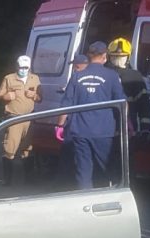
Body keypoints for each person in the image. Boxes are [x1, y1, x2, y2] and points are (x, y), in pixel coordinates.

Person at [56, 41, 126, 189]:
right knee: (107, 169)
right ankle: (108, 198)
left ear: (89, 56)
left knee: (83, 171)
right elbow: (122, 103)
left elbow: (66, 104)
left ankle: (85, 202)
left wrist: (60, 126)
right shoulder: (112, 76)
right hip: (104, 132)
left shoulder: (76, 76)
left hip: (80, 131)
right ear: (104, 56)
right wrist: (127, 125)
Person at [0, 55, 42, 185]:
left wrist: (35, 95)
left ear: (29, 67)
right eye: (21, 67)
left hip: (29, 118)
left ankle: (29, 179)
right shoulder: (9, 79)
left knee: (27, 149)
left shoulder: (35, 79)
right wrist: (6, 96)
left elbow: (40, 98)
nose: (23, 70)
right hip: (13, 118)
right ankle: (7, 180)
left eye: (26, 68)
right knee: (9, 149)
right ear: (17, 66)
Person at [106, 37, 150, 135]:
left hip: (105, 130)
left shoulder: (102, 74)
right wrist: (145, 128)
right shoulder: (135, 75)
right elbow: (144, 105)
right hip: (128, 130)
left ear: (109, 57)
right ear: (128, 57)